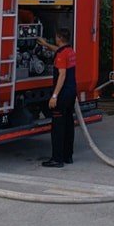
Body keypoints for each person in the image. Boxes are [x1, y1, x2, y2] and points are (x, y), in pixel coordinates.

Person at [36, 28, 76, 167]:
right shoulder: (70, 51)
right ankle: (67, 156)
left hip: (62, 94)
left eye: (56, 37)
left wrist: (54, 96)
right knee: (68, 125)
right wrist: (45, 44)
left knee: (58, 128)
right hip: (71, 93)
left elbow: (62, 75)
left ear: (59, 38)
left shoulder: (61, 55)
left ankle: (57, 159)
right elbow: (58, 50)